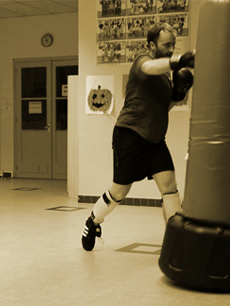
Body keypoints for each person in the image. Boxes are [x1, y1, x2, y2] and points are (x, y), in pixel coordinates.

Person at [81, 23, 195, 251]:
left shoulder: (164, 77)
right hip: (129, 136)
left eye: (173, 45)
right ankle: (93, 221)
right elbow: (151, 67)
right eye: (166, 45)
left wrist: (179, 92)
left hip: (154, 141)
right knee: (119, 192)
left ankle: (176, 241)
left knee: (170, 188)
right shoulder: (142, 63)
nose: (170, 49)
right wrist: (180, 61)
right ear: (152, 45)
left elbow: (165, 107)